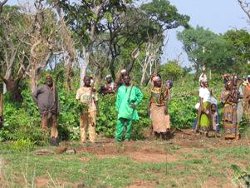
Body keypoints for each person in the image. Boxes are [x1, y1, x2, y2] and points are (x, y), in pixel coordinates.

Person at [33, 75, 59, 146]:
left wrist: (58, 109)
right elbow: (33, 95)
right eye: (47, 79)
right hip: (44, 110)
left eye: (50, 79)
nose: (49, 80)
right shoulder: (42, 87)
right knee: (44, 125)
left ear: (52, 80)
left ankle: (53, 139)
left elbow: (57, 100)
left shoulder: (54, 89)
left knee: (54, 124)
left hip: (53, 110)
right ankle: (44, 140)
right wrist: (38, 103)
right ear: (45, 80)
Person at [115, 75, 143, 142]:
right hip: (121, 109)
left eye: (128, 78)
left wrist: (135, 103)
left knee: (129, 125)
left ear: (130, 79)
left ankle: (127, 139)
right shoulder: (120, 88)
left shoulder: (134, 88)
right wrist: (117, 108)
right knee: (119, 124)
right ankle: (118, 139)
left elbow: (140, 95)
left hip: (130, 109)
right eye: (125, 79)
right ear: (123, 80)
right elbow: (118, 99)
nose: (126, 80)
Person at [76, 76, 98, 143]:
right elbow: (77, 100)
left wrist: (97, 109)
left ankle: (92, 140)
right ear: (84, 81)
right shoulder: (80, 90)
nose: (88, 81)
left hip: (92, 108)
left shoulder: (93, 90)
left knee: (92, 124)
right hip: (83, 109)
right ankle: (83, 140)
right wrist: (79, 108)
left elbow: (96, 100)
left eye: (89, 80)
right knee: (83, 124)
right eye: (86, 80)